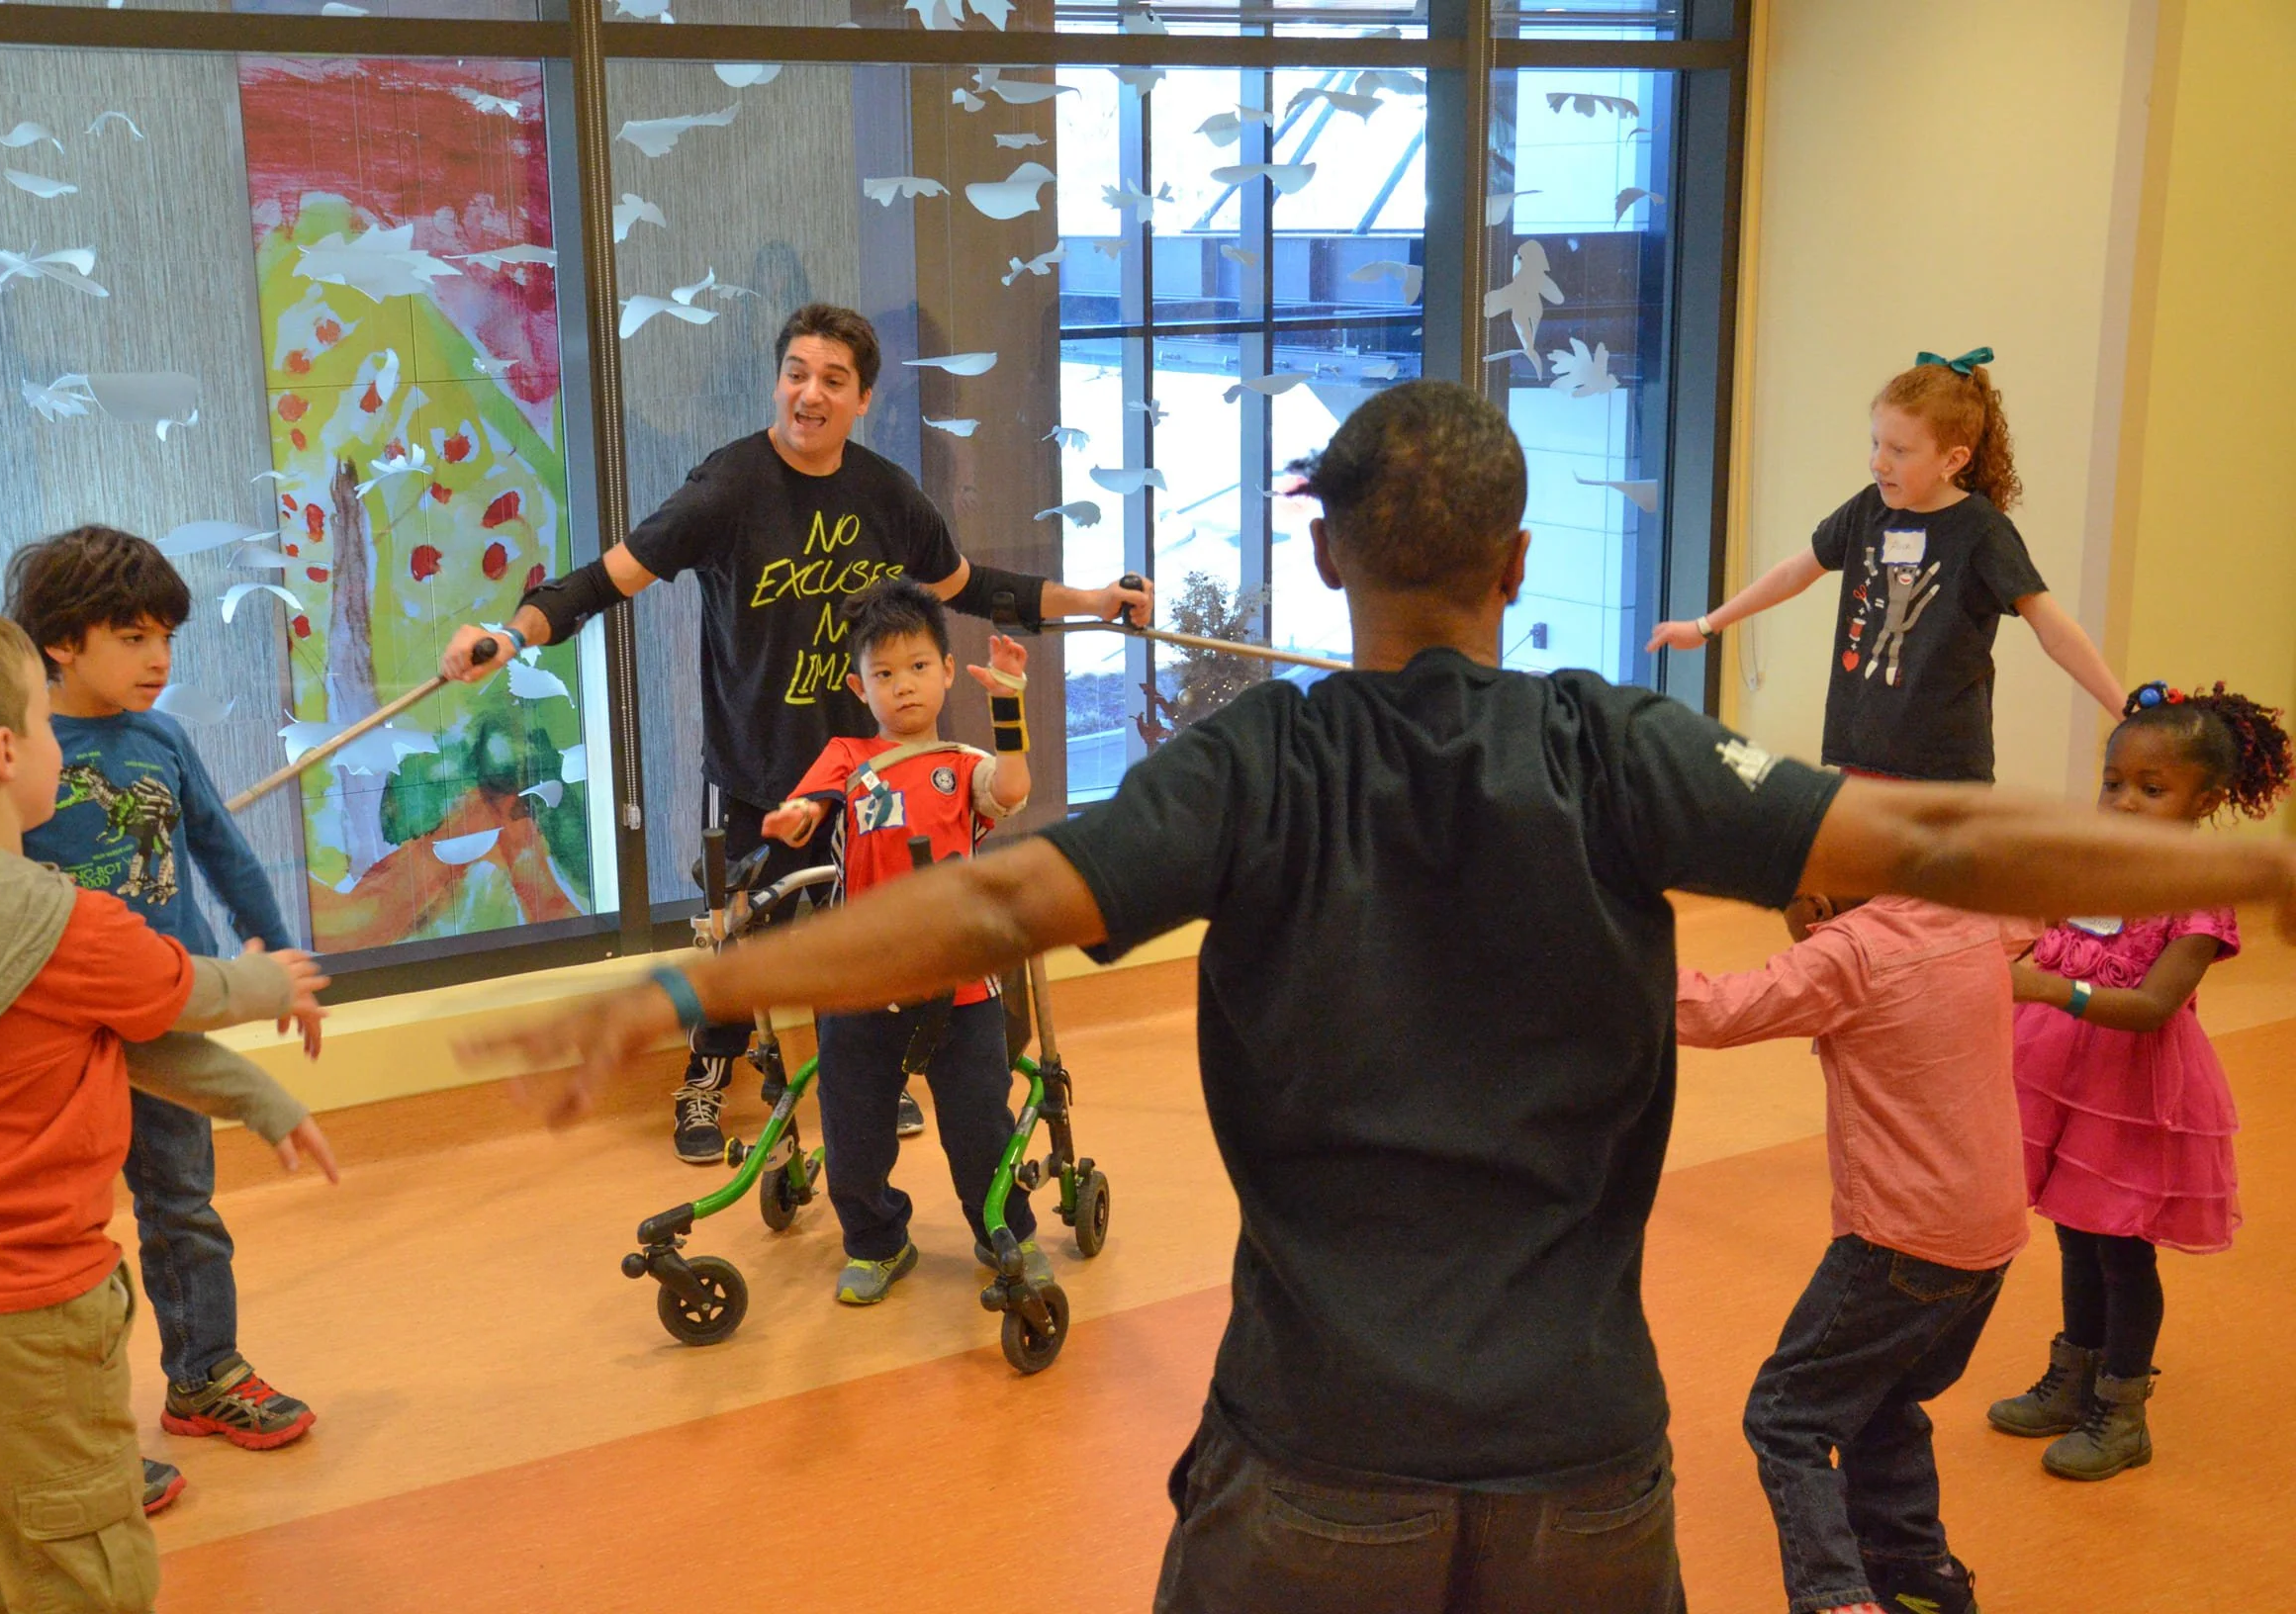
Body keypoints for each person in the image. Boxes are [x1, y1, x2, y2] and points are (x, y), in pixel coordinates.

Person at [462, 382, 2296, 1614]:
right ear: (1512, 566)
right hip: (1584, 1473)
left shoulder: (1256, 761)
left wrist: (701, 979)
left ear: (1325, 558)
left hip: (1312, 1467)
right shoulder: (1617, 747)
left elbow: (1006, 891)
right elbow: (1947, 845)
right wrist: (2256, 866)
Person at [438, 302, 1152, 1164]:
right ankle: (708, 1080)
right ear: (778, 382)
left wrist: (1094, 606)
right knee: (744, 932)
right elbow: (605, 579)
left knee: (867, 938)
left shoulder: (886, 494)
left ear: (865, 400)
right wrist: (512, 635)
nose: (809, 395)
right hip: (759, 766)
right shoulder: (728, 488)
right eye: (796, 374)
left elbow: (970, 587)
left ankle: (866, 1083)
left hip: (866, 773)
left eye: (833, 381)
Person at [0, 608, 334, 1614]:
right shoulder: (64, 922)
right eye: (42, 722)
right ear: (3, 753)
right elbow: (185, 993)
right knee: (80, 1578)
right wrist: (275, 982)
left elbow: (129, 1038)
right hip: (15, 1319)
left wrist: (258, 1100)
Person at [7, 526, 332, 1512]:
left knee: (183, 1202)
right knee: (60, 1238)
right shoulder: (13, 751)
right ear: (63, 641)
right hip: (52, 1041)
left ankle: (204, 1376)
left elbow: (226, 854)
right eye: (135, 637)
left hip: (167, 1013)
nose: (160, 660)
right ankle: (74, 1440)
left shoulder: (161, 738)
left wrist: (281, 963)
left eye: (167, 638)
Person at [1677, 892, 2040, 1614]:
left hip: (1900, 1241)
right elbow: (2036, 913)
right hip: (1991, 1236)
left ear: (1815, 903)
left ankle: (1836, 1598)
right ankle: (1915, 1573)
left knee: (1787, 1418)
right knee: (1884, 1393)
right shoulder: (1970, 915)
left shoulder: (1849, 951)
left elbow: (1714, 1010)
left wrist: (1610, 960)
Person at [1986, 680, 2292, 1483]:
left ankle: (2122, 1413)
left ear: (2208, 799)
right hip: (2060, 1072)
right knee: (2073, 1234)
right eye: (2113, 783)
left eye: (2151, 790)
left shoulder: (2197, 889)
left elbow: (2156, 1005)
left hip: (2130, 1088)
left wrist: (2058, 991)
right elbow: (2050, 936)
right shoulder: (2097, 863)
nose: (2122, 802)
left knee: (2121, 1251)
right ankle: (2074, 1375)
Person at [756, 579, 1040, 1303]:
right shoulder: (848, 755)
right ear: (859, 685)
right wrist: (793, 819)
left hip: (963, 986)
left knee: (981, 1128)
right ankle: (878, 1242)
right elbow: (808, 805)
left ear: (948, 671)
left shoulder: (964, 760)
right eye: (883, 674)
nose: (902, 686)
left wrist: (1008, 705)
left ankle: (1004, 1232)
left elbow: (1009, 789)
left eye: (917, 667)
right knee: (852, 1136)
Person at [1648, 348, 2125, 780]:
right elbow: (1795, 572)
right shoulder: (1866, 512)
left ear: (1953, 459)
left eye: (1899, 451)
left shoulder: (1983, 532)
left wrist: (2122, 708)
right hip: (1861, 752)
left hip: (1941, 771)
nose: (1879, 463)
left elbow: (2055, 630)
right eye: (1876, 444)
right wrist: (1706, 626)